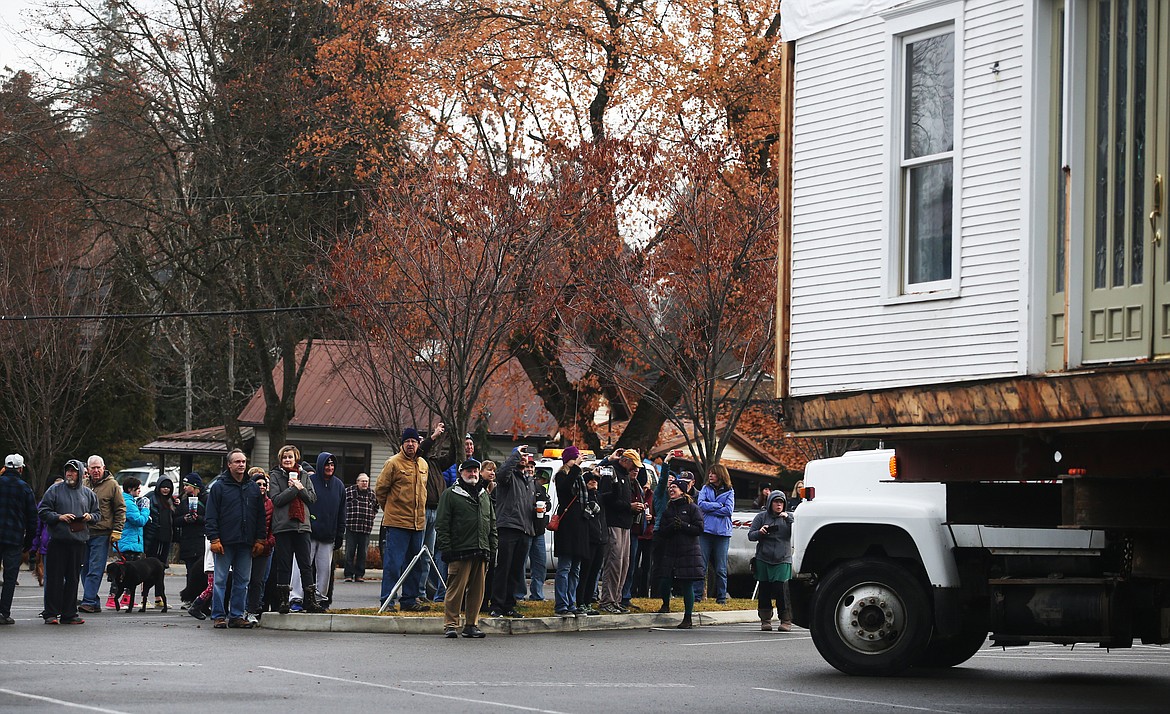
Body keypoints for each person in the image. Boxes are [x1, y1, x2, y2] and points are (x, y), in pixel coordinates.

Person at [204, 449, 266, 629]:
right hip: (224, 542)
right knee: (220, 580)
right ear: (229, 464)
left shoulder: (253, 487)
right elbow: (211, 515)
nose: (241, 465)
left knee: (243, 581)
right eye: (237, 462)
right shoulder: (219, 486)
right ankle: (218, 615)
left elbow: (260, 516)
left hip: (246, 542)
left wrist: (260, 539)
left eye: (244, 462)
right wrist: (214, 539)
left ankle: (237, 615)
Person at [435, 459, 496, 638]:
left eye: (476, 471)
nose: (473, 474)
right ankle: (451, 624)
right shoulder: (451, 494)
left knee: (478, 592)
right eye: (469, 471)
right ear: (461, 473)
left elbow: (491, 523)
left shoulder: (484, 495)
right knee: (455, 590)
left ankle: (471, 625)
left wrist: (492, 549)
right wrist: (446, 549)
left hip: (481, 550)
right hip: (459, 550)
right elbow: (442, 524)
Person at [375, 427, 430, 612]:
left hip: (418, 523)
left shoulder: (423, 464)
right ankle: (388, 601)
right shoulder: (393, 463)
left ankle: (409, 600)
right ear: (402, 444)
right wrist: (390, 510)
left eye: (414, 441)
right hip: (397, 523)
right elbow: (380, 490)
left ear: (418, 443)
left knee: (415, 564)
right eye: (407, 441)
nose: (410, 444)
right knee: (394, 564)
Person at [38, 460, 100, 624]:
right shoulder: (54, 490)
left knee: (73, 578)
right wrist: (59, 517)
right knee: (54, 578)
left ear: (80, 473)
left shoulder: (88, 494)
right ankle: (51, 614)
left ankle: (69, 614)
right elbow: (43, 511)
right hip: (58, 541)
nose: (69, 474)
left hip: (78, 542)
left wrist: (89, 517)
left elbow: (97, 515)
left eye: (73, 471)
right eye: (67, 471)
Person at [268, 444, 321, 614]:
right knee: (284, 565)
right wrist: (293, 489)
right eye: (284, 457)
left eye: (290, 457)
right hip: (283, 526)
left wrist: (300, 487)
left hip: (302, 526)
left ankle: (310, 600)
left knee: (305, 564)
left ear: (296, 458)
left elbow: (312, 498)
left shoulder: (304, 475)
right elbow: (276, 499)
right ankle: (283, 601)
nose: (287, 460)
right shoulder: (275, 475)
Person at [290, 451, 345, 610]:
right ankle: (296, 599)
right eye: (327, 464)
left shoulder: (339, 486)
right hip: (308, 533)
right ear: (320, 465)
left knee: (324, 570)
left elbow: (342, 512)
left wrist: (340, 533)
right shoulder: (310, 481)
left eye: (332, 464)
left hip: (328, 536)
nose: (329, 467)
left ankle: (319, 600)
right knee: (302, 566)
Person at [597, 448, 645, 614]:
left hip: (626, 524)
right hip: (613, 523)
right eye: (632, 463)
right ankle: (607, 600)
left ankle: (616, 599)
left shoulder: (625, 475)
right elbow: (605, 497)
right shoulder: (611, 472)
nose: (634, 468)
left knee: (624, 564)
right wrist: (628, 507)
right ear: (624, 460)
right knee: (613, 563)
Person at [489, 445, 535, 618]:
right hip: (508, 527)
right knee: (503, 568)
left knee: (516, 570)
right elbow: (501, 474)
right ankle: (496, 605)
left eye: (526, 456)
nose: (524, 458)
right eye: (521, 455)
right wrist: (515, 455)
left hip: (525, 529)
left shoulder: (528, 480)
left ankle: (509, 604)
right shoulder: (508, 478)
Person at [78, 455, 126, 614]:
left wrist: (117, 530)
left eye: (98, 467)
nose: (96, 470)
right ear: (88, 470)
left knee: (95, 569)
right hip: (83, 533)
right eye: (93, 468)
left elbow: (120, 509)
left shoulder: (112, 485)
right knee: (83, 569)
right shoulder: (83, 484)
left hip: (102, 533)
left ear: (104, 468)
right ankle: (93, 600)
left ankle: (89, 601)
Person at [656, 477, 706, 629]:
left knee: (687, 584)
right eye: (670, 488)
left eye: (674, 488)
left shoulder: (692, 508)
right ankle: (665, 604)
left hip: (688, 551)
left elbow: (699, 529)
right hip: (671, 550)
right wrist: (672, 526)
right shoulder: (668, 510)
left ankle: (688, 617)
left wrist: (684, 525)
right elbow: (662, 531)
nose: (671, 490)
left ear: (683, 491)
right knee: (665, 580)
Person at [552, 446, 591, 616]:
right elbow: (566, 490)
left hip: (580, 527)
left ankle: (571, 602)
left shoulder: (580, 476)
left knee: (575, 569)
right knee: (565, 568)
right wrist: (576, 468)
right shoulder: (562, 475)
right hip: (567, 527)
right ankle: (561, 604)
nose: (577, 461)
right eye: (574, 458)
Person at [748, 491, 795, 631]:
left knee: (781, 590)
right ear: (770, 503)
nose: (779, 504)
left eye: (781, 502)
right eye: (776, 502)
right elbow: (751, 535)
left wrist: (788, 518)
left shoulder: (789, 518)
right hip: (763, 557)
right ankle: (765, 619)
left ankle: (786, 620)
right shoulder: (761, 517)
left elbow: (797, 530)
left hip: (783, 559)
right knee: (764, 589)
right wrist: (760, 532)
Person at [0, 454, 37, 625]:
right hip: (13, 538)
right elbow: (32, 518)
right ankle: (3, 612)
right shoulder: (24, 488)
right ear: (21, 469)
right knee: (9, 577)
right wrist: (29, 542)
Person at [695, 463, 734, 604]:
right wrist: (719, 505)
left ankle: (721, 598)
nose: (710, 475)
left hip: (723, 533)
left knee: (721, 568)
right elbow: (701, 505)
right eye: (710, 473)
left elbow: (728, 510)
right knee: (701, 565)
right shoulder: (705, 488)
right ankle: (697, 596)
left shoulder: (730, 491)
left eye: (714, 473)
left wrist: (710, 507)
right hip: (706, 531)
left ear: (721, 475)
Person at [575, 469, 607, 616]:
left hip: (601, 540)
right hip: (588, 539)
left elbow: (614, 493)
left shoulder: (600, 497)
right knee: (585, 573)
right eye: (590, 480)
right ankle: (580, 602)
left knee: (594, 573)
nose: (594, 482)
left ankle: (588, 602)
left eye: (596, 480)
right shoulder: (583, 498)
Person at [246, 471, 275, 623]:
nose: (262, 487)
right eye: (259, 484)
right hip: (247, 547)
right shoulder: (246, 501)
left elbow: (273, 528)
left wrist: (266, 543)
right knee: (244, 579)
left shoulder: (271, 504)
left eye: (264, 484)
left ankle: (253, 609)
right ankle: (241, 609)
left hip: (265, 549)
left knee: (258, 581)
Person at [175, 473, 207, 606]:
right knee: (190, 571)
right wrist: (184, 519)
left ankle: (203, 597)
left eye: (187, 485)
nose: (185, 487)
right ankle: (190, 598)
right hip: (187, 541)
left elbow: (209, 518)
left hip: (201, 540)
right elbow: (175, 520)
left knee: (202, 571)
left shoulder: (206, 499)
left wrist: (198, 518)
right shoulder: (183, 502)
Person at [343, 472, 377, 583]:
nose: (364, 483)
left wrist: (371, 515)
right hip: (352, 526)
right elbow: (342, 505)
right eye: (362, 481)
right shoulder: (349, 491)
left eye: (366, 481)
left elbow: (376, 507)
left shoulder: (372, 494)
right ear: (357, 482)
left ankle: (359, 575)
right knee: (350, 552)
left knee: (363, 553)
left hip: (366, 528)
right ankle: (348, 575)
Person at [143, 477, 178, 565]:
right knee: (151, 562)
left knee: (161, 563)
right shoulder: (150, 498)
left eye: (168, 487)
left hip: (166, 536)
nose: (166, 489)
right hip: (153, 536)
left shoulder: (171, 501)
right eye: (163, 487)